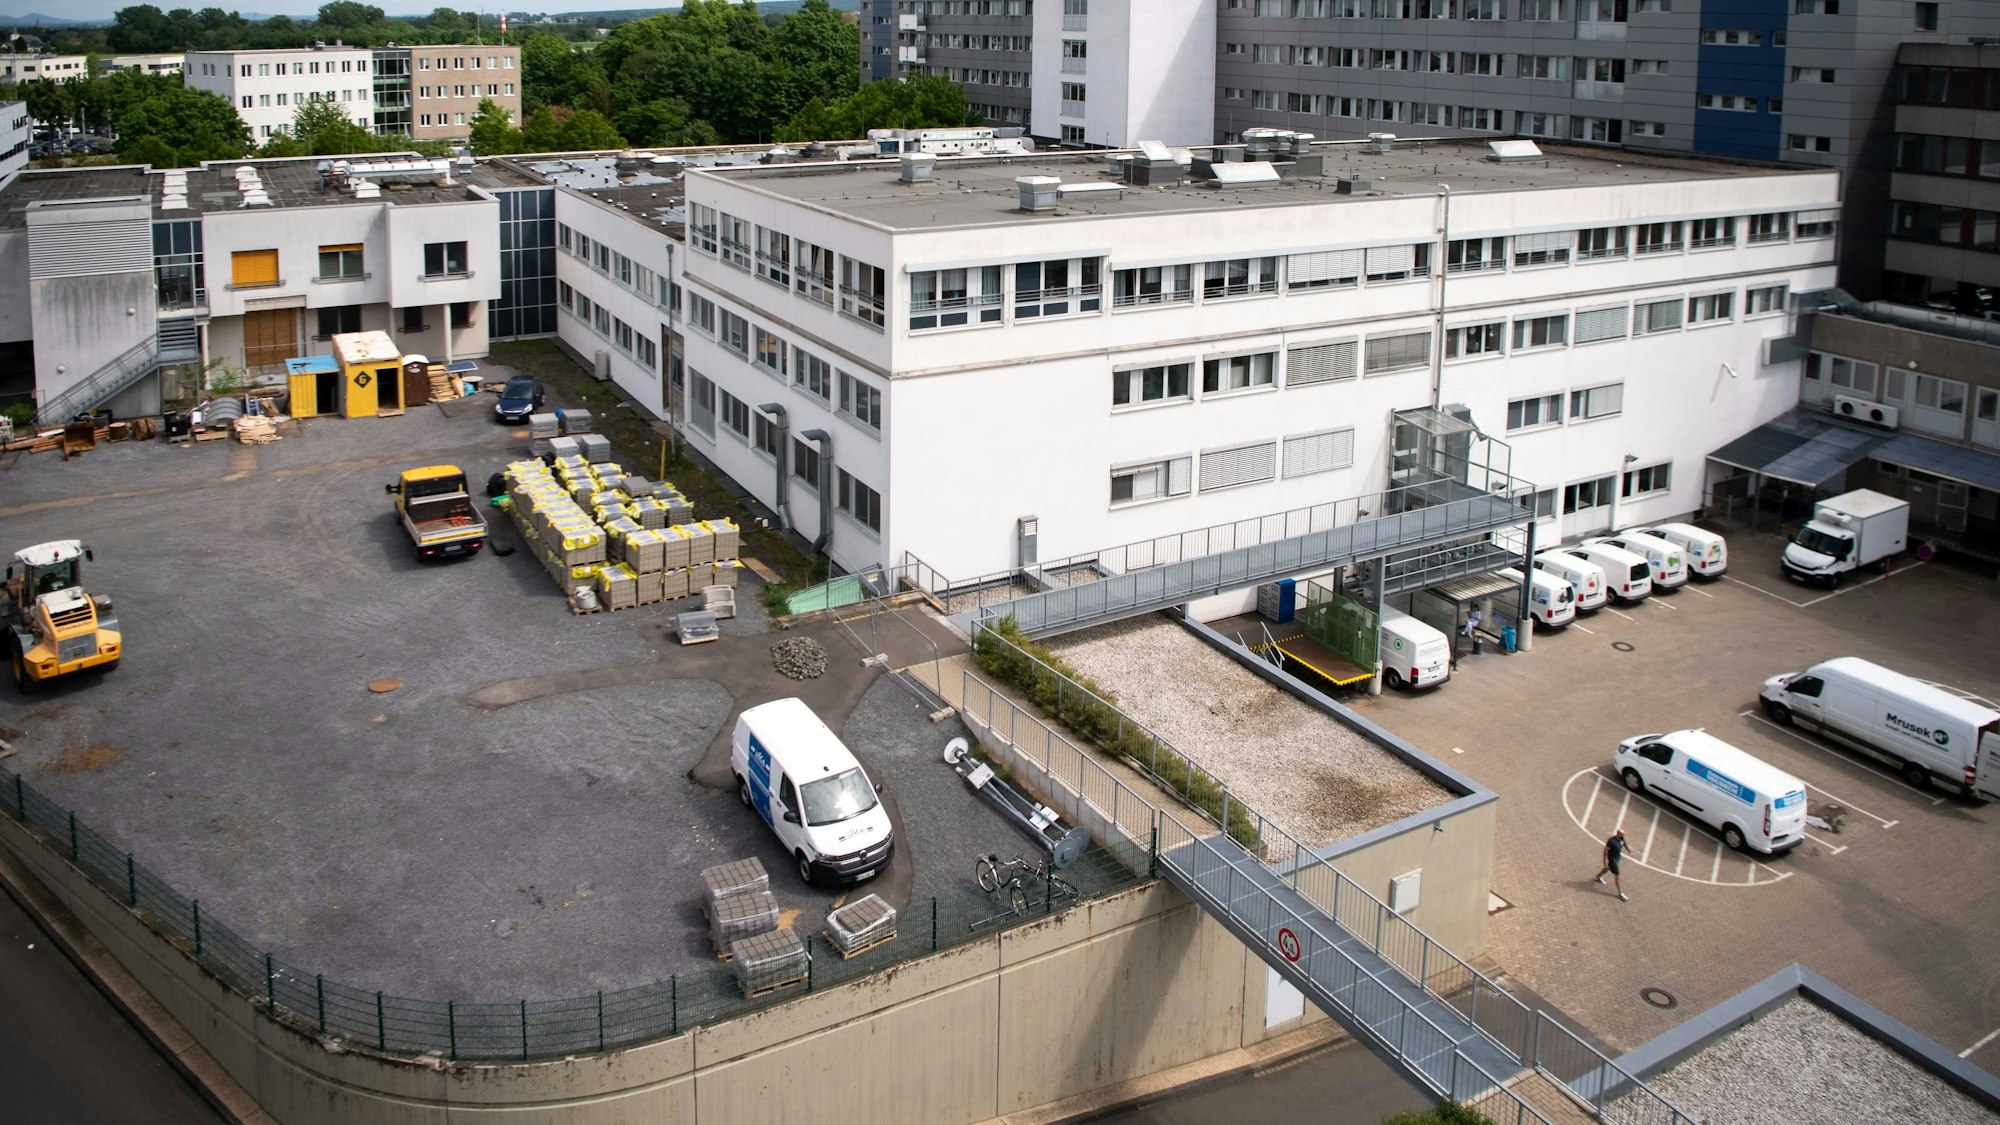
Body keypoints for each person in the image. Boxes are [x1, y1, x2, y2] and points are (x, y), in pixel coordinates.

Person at [1593, 828, 1629, 901]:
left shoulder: (1622, 838)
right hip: (1613, 860)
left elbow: (1625, 844)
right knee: (1617, 875)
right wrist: (1604, 861)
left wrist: (1630, 852)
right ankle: (1620, 893)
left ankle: (1598, 876)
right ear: (1618, 834)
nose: (1623, 836)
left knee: (1608, 867)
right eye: (1622, 834)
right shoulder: (1611, 841)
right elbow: (1605, 851)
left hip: (1617, 858)